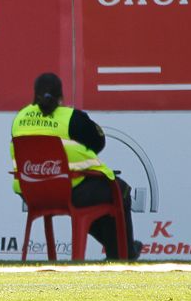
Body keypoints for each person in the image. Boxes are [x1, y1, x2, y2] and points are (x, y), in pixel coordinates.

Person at [11, 72, 141, 260]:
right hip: (70, 189)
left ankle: (120, 251)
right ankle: (123, 253)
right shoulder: (72, 117)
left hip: (31, 191)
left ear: (34, 95)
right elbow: (98, 143)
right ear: (61, 97)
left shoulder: (19, 118)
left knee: (95, 204)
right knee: (120, 191)